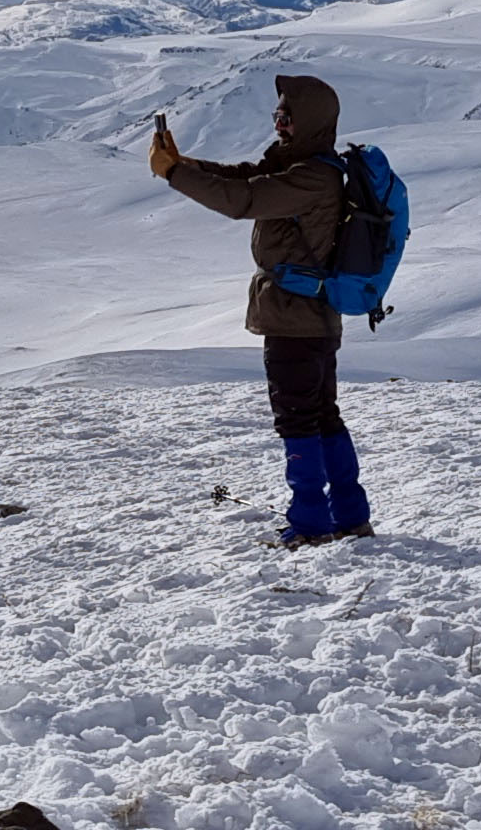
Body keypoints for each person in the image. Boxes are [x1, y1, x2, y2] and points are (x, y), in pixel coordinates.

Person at [148, 73, 373, 547]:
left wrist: (173, 175)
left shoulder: (312, 177)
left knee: (298, 419)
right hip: (311, 315)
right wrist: (185, 163)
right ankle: (350, 516)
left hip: (295, 318)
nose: (279, 124)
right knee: (321, 415)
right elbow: (246, 177)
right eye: (278, 115)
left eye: (287, 117)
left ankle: (311, 525)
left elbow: (244, 199)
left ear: (309, 120)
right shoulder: (310, 167)